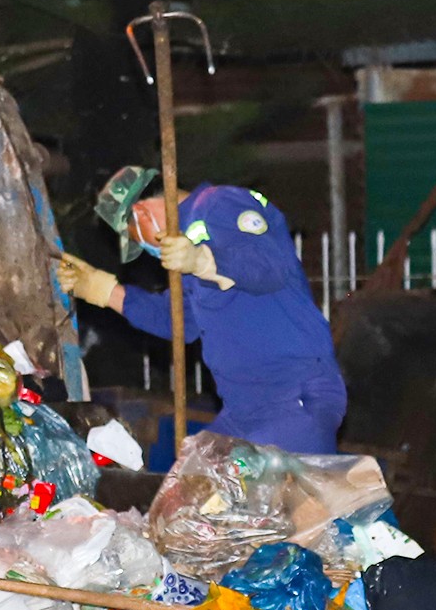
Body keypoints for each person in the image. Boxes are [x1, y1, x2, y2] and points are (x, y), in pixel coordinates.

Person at [55, 183, 346, 453]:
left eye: (135, 237)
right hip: (243, 412)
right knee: (187, 489)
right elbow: (177, 320)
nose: (144, 248)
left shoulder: (219, 204)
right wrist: (105, 291)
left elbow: (268, 264)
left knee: (262, 497)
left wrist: (206, 261)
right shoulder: (188, 252)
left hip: (292, 400)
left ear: (141, 213)